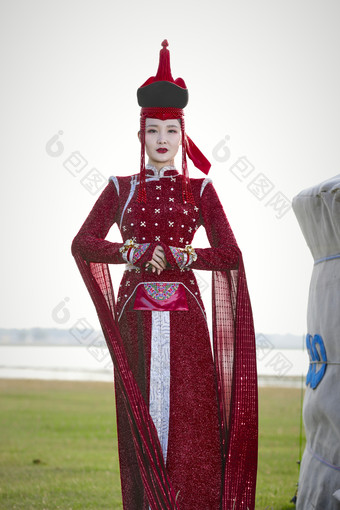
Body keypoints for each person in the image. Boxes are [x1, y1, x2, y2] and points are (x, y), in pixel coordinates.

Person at [71, 40, 258, 510]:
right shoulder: (120, 187)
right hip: (136, 318)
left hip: (187, 323)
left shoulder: (201, 191)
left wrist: (185, 255)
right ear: (141, 136)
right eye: (152, 131)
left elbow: (231, 254)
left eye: (170, 132)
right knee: (142, 419)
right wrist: (132, 250)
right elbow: (83, 244)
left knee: (191, 421)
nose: (161, 140)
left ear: (181, 136)